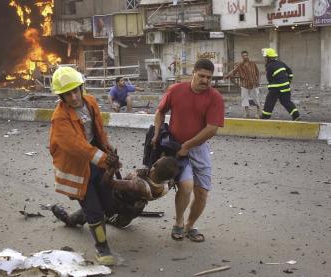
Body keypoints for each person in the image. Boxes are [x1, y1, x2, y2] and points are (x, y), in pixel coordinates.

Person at [49, 66, 120, 266]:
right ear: (61, 96)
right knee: (96, 211)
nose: (73, 97)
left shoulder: (91, 102)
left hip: (96, 162)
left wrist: (108, 149)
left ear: (82, 88)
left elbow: (98, 130)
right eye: (67, 94)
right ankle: (102, 249)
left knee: (107, 204)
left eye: (75, 91)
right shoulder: (59, 118)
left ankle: (77, 218)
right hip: (77, 168)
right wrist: (105, 159)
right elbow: (78, 147)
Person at [152, 58, 224, 242]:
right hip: (176, 148)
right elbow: (160, 111)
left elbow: (212, 129)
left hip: (198, 149)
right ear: (193, 73)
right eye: (201, 76)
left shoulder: (215, 97)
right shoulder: (176, 90)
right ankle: (178, 222)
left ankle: (190, 225)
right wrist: (156, 133)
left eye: (209, 77)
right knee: (186, 186)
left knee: (202, 193)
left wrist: (188, 146)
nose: (205, 81)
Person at [51, 156, 180, 229]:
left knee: (91, 209)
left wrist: (111, 170)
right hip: (133, 211)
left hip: (116, 202)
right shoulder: (166, 185)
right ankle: (110, 219)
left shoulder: (137, 184)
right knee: (121, 222)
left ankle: (70, 220)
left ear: (155, 165)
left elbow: (109, 183)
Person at [260, 48, 300, 121]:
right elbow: (290, 72)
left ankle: (265, 117)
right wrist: (288, 81)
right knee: (286, 101)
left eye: (265, 57)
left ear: (268, 58)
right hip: (286, 87)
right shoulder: (281, 63)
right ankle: (296, 115)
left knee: (269, 102)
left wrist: (271, 86)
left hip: (276, 88)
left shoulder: (269, 66)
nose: (264, 59)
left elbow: (269, 78)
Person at [224, 50, 262, 118]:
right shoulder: (239, 65)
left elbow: (258, 73)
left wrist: (258, 81)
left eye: (246, 55)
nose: (245, 57)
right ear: (242, 57)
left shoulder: (253, 63)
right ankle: (247, 113)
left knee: (256, 98)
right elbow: (233, 72)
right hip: (244, 85)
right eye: (243, 56)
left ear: (248, 55)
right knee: (244, 99)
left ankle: (258, 112)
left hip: (254, 84)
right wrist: (227, 76)